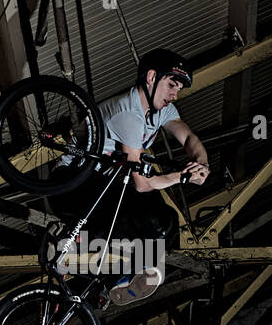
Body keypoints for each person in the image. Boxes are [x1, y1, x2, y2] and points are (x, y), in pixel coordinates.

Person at [55, 48, 209, 305]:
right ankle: (74, 252)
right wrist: (181, 177)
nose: (175, 94)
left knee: (166, 220)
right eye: (171, 84)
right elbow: (141, 183)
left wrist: (201, 164)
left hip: (101, 184)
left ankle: (115, 280)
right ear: (151, 77)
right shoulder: (129, 115)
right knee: (140, 214)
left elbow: (189, 138)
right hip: (71, 185)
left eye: (179, 88)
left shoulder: (162, 111)